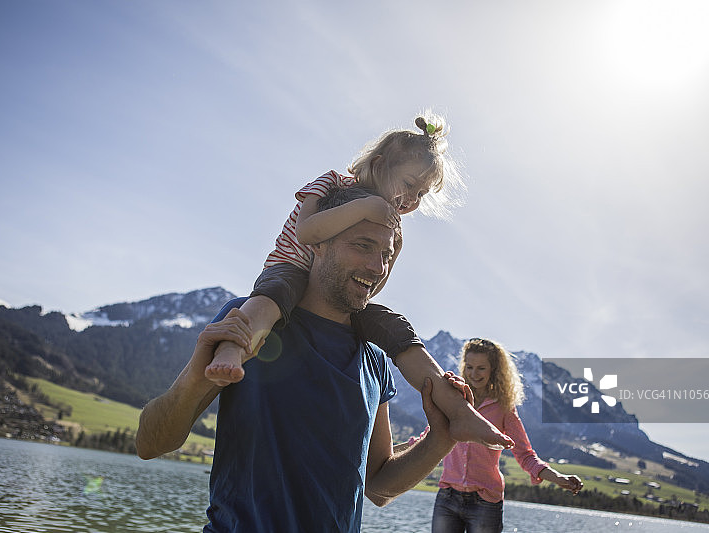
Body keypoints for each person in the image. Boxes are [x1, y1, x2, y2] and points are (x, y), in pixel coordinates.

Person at [136, 186, 472, 532]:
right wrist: (195, 378)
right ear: (318, 241)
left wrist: (441, 439)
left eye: (386, 255)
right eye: (362, 246)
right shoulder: (250, 323)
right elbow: (149, 444)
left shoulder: (374, 360)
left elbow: (378, 485)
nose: (377, 267)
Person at [203, 112, 512, 449]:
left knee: (397, 329)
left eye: (421, 194)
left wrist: (388, 247)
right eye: (409, 185)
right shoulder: (332, 183)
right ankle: (232, 351)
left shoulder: (391, 225)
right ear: (379, 165)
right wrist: (366, 208)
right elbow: (306, 232)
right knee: (268, 301)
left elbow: (374, 283)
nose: (412, 200)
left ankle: (460, 412)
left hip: (336, 293)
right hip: (289, 268)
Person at [430, 338, 583, 533]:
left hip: (485, 502)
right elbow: (430, 437)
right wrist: (395, 454)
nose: (474, 374)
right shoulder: (453, 400)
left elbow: (525, 455)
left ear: (493, 369)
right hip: (447, 498)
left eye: (481, 368)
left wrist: (558, 478)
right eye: (469, 367)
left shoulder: (503, 408)